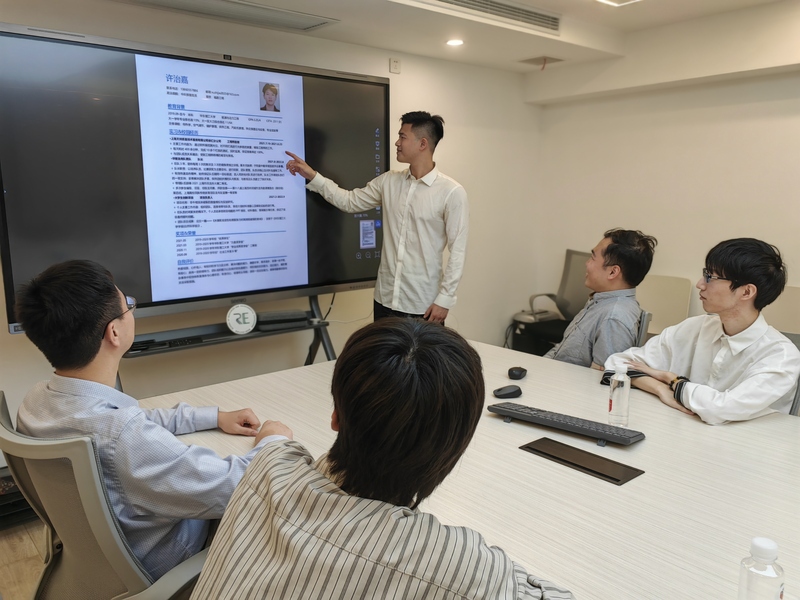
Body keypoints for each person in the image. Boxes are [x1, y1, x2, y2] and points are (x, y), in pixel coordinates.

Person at [191, 319, 575, 599]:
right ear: (459, 443)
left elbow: (274, 441)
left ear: (336, 417)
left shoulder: (269, 467)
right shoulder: (463, 567)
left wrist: (274, 433)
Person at [14, 260, 281, 579]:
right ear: (114, 331)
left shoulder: (36, 401)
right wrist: (272, 442)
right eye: (128, 305)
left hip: (95, 555)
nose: (131, 310)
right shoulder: (122, 436)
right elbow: (238, 485)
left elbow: (129, 421)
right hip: (167, 562)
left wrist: (213, 417)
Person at [285, 110, 468, 324]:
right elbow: (350, 201)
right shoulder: (389, 181)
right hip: (385, 299)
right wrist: (313, 176)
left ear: (423, 144)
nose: (397, 143)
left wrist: (445, 299)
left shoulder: (451, 192)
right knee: (379, 348)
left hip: (423, 304)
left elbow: (458, 251)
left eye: (402, 137)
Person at [603, 238, 800, 425]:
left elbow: (719, 409)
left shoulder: (781, 356)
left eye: (710, 277)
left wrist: (672, 379)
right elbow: (617, 363)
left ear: (746, 292)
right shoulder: (696, 327)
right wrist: (659, 388)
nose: (700, 284)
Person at [545, 229, 657, 369]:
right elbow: (561, 351)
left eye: (593, 258)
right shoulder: (601, 301)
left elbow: (600, 378)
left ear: (612, 272)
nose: (587, 263)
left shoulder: (614, 318)